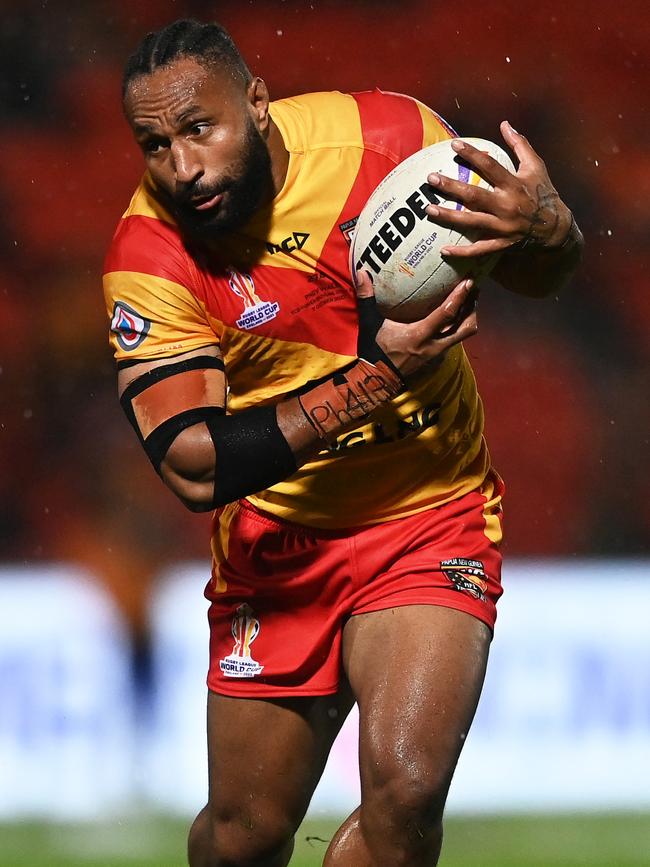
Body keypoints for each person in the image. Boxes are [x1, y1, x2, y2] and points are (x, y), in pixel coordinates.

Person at [104, 18, 583, 867]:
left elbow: (537, 271)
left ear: (257, 103)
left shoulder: (389, 140)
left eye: (198, 128)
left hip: (431, 511)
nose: (183, 167)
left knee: (406, 795)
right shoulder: (150, 255)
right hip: (282, 544)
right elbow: (190, 462)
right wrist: (373, 377)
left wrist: (547, 230)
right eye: (155, 144)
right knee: (243, 836)